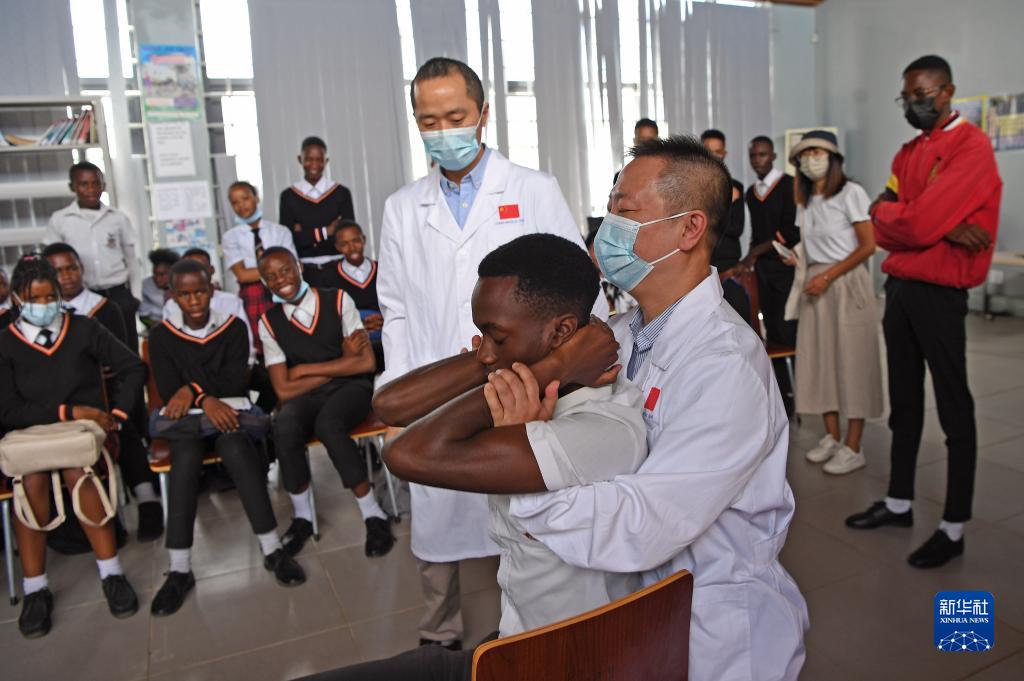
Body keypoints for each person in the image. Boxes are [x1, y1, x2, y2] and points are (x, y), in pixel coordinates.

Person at [509, 136, 808, 681]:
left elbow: (645, 523)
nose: (607, 227)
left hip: (715, 629)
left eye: (625, 212)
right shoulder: (621, 333)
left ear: (689, 229)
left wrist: (532, 498)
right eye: (609, 209)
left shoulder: (725, 365)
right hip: (641, 612)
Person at [303, 234, 645, 681]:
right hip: (514, 633)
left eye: (496, 337)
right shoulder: (530, 381)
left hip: (550, 662)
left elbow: (404, 453)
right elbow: (390, 406)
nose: (483, 351)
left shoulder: (603, 428)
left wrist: (552, 366)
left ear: (561, 333)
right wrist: (516, 363)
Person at [377, 56, 600, 651]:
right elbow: (395, 308)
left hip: (521, 382)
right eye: (429, 121)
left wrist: (560, 378)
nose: (443, 131)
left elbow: (574, 287)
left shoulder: (532, 189)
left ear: (482, 114)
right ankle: (439, 631)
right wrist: (399, 391)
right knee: (438, 519)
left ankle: (521, 630)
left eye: (455, 116)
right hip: (437, 382)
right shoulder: (402, 207)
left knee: (521, 515)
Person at [845, 55, 1003, 569]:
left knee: (953, 405)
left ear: (948, 91)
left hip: (940, 293)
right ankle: (899, 502)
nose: (914, 103)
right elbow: (882, 214)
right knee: (905, 402)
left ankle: (953, 527)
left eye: (923, 94)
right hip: (901, 289)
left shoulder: (971, 147)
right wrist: (938, 224)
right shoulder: (908, 152)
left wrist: (917, 220)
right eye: (907, 96)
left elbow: (911, 224)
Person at [147, 259, 306, 616]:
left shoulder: (232, 326)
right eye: (184, 294)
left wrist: (191, 390)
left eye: (200, 291)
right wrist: (204, 396)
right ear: (173, 296)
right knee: (185, 459)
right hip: (188, 424)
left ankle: (271, 548)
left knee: (237, 449)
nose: (194, 301)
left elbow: (235, 381)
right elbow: (170, 390)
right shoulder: (161, 336)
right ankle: (179, 568)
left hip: (230, 413)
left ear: (212, 289)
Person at [0, 255, 145, 638]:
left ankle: (111, 573)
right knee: (31, 480)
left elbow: (133, 367)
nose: (44, 305)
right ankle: (35, 589)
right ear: (17, 298)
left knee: (78, 471)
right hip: (32, 434)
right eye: (35, 298)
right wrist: (67, 410)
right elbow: (8, 409)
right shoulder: (5, 343)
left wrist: (117, 415)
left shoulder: (83, 328)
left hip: (82, 433)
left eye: (51, 297)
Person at [256, 247, 393, 558]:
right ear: (264, 282)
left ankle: (373, 514)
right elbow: (283, 390)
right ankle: (303, 518)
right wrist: (342, 361)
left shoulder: (338, 299)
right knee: (284, 425)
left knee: (329, 425)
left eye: (285, 270)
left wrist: (302, 370)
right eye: (271, 276)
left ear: (299, 267)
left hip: (352, 388)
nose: (281, 280)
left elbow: (365, 363)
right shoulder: (269, 322)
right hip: (307, 394)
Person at [42, 242, 164, 541]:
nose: (67, 276)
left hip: (105, 391)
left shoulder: (104, 308)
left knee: (122, 429)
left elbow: (120, 358)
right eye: (58, 271)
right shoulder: (44, 313)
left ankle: (147, 501)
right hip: (64, 399)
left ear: (81, 268)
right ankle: (100, 518)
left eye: (72, 268)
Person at [783, 131, 883, 475]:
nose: (811, 159)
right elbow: (812, 243)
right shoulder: (806, 199)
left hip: (845, 282)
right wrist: (797, 258)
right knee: (820, 359)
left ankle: (853, 447)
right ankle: (832, 436)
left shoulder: (851, 193)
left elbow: (868, 245)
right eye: (805, 154)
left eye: (818, 152)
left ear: (833, 157)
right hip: (816, 283)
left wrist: (828, 276)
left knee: (853, 361)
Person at [45, 161, 142, 352]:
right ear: (72, 187)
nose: (91, 189)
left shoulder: (117, 218)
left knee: (126, 348)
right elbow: (51, 262)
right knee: (88, 348)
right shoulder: (60, 219)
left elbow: (132, 259)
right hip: (82, 297)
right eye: (84, 184)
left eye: (96, 183)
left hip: (117, 295)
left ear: (103, 186)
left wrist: (136, 296)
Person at [743, 135, 800, 412]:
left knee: (787, 330)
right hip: (764, 269)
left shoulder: (789, 185)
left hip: (784, 267)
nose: (758, 160)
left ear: (774, 156)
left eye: (763, 155)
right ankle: (780, 394)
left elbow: (791, 231)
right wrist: (752, 258)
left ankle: (795, 394)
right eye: (753, 156)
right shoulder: (751, 192)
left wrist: (755, 252)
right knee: (771, 332)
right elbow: (757, 232)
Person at [222, 180, 298, 353]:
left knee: (288, 336)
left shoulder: (280, 231)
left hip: (283, 290)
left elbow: (294, 266)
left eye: (245, 198)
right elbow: (242, 275)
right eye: (235, 202)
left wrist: (260, 273)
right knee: (261, 342)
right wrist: (278, 271)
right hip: (253, 295)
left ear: (256, 198)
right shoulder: (230, 237)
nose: (241, 205)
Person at [278, 136, 356, 287]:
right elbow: (288, 239)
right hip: (304, 271)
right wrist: (327, 231)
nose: (314, 164)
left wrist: (305, 233)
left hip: (339, 267)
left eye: (319, 159)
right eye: (309, 159)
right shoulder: (288, 196)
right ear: (300, 159)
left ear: (326, 161)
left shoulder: (341, 193)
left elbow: (347, 236)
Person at [319, 219, 384, 370]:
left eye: (356, 240)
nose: (352, 247)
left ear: (364, 240)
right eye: (344, 244)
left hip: (387, 337)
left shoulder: (383, 269)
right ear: (337, 247)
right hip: (352, 346)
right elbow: (328, 316)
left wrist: (383, 319)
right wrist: (358, 322)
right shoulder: (328, 277)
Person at [701, 129, 750, 323]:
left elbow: (736, 228)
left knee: (738, 327)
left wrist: (706, 217)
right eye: (708, 150)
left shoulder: (735, 186)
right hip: (700, 273)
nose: (713, 156)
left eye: (718, 151)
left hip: (728, 272)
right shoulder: (691, 187)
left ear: (724, 154)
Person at [140, 249, 180, 327]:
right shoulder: (145, 286)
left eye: (162, 275)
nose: (157, 279)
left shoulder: (182, 285)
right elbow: (143, 317)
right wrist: (160, 329)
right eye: (155, 274)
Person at [613, 118, 659, 184]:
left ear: (658, 142)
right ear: (635, 141)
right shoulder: (621, 177)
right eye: (642, 141)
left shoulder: (667, 175)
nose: (646, 145)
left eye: (651, 141)